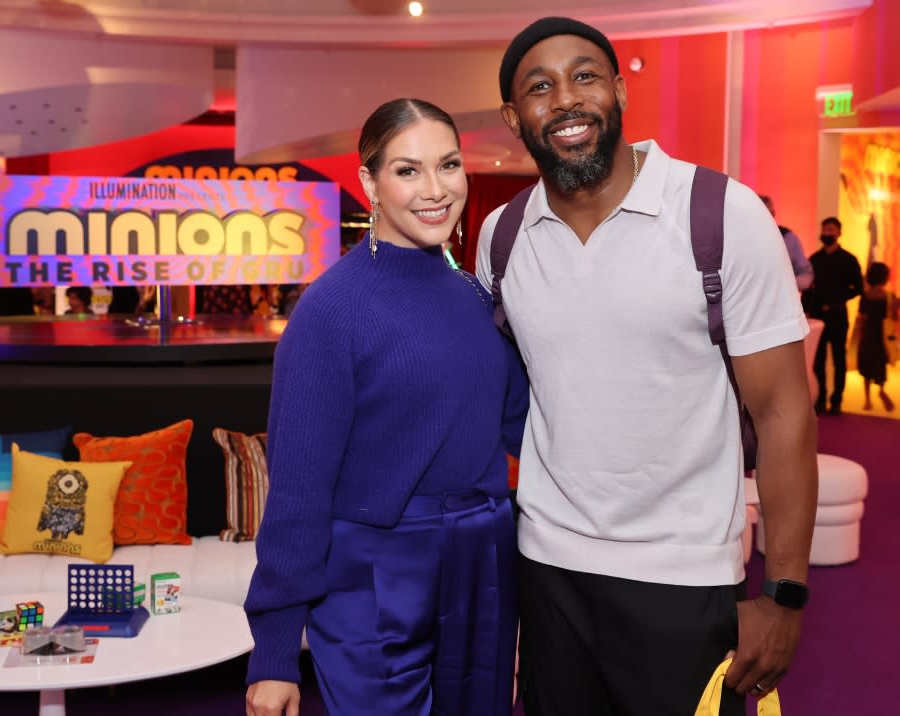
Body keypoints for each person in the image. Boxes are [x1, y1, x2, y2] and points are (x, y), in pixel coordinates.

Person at [475, 17, 817, 715]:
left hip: (685, 575)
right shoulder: (501, 237)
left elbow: (783, 412)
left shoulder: (721, 214)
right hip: (547, 570)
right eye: (539, 87)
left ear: (620, 91)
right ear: (515, 118)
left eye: (585, 76)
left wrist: (784, 593)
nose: (565, 98)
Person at [244, 98, 528, 716]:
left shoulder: (475, 296)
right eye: (407, 170)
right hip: (373, 581)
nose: (435, 189)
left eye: (448, 165)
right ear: (368, 182)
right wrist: (273, 651)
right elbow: (298, 492)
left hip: (480, 559)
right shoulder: (330, 311)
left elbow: (525, 429)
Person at [806, 216, 863, 415]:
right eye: (824, 230)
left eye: (831, 230)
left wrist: (840, 298)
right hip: (818, 315)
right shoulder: (814, 259)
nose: (827, 233)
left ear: (839, 233)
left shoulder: (849, 260)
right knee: (818, 359)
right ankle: (820, 400)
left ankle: (837, 401)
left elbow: (858, 288)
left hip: (838, 315)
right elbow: (808, 289)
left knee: (839, 359)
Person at [855, 261, 897, 411]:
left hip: (868, 335)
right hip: (882, 337)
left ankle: (867, 400)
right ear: (884, 277)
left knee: (866, 368)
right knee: (880, 365)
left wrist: (860, 338)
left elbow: (861, 320)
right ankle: (881, 389)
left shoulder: (865, 296)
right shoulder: (889, 296)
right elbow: (893, 316)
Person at [759, 195, 813, 290]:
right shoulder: (739, 237)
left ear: (773, 213)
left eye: (767, 212)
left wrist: (783, 285)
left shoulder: (788, 238)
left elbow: (805, 274)